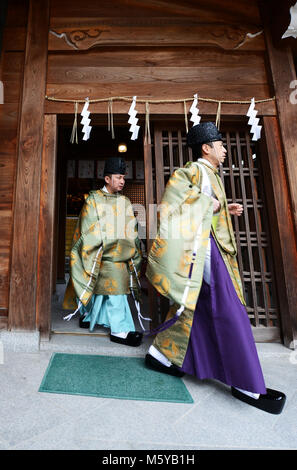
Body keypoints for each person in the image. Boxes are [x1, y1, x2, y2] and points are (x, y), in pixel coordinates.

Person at [145, 122, 286, 414]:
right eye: (220, 144)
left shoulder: (208, 174)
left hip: (208, 248)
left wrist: (225, 207)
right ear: (206, 148)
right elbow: (173, 205)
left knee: (199, 305)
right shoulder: (193, 171)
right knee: (229, 308)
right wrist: (217, 207)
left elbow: (204, 206)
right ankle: (246, 381)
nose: (224, 149)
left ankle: (160, 353)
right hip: (202, 250)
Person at [63, 156, 144, 347]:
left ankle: (90, 316)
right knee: (114, 290)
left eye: (123, 177)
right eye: (118, 177)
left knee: (113, 290)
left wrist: (128, 245)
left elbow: (130, 229)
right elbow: (87, 230)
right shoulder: (93, 200)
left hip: (121, 254)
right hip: (100, 253)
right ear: (107, 179)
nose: (122, 181)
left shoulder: (124, 201)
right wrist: (111, 242)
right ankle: (120, 330)